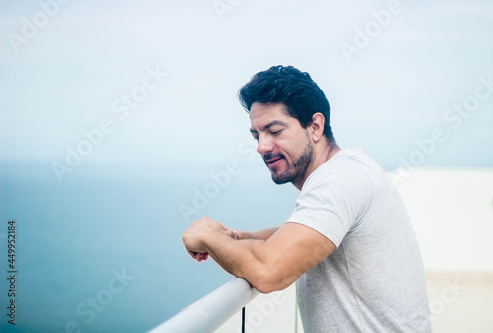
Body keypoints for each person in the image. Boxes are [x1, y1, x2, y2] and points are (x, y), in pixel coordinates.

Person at [181, 65, 432, 332]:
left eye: (274, 131)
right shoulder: (348, 170)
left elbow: (268, 271)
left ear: (315, 126)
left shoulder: (339, 179)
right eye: (257, 135)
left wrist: (207, 236)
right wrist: (240, 238)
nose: (261, 146)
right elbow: (303, 230)